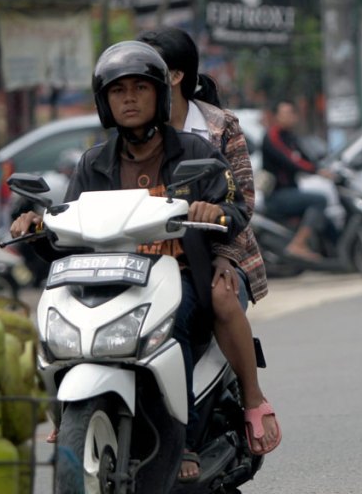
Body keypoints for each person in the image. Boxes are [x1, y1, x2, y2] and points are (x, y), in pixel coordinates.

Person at [10, 41, 249, 479]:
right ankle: (71, 412)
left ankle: (187, 440)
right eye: (119, 91)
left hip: (174, 275)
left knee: (172, 330)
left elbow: (233, 207)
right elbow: (70, 234)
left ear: (160, 93)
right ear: (106, 102)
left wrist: (212, 211)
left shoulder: (195, 153)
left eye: (140, 88)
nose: (130, 98)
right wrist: (38, 229)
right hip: (106, 280)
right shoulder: (93, 163)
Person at [137, 26, 281, 479]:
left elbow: (242, 205)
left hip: (219, 250)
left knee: (219, 296)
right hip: (147, 257)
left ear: (175, 76)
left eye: (146, 73)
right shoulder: (129, 129)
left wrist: (223, 255)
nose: (132, 88)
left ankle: (253, 397)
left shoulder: (220, 127)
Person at [260, 99, 331, 260]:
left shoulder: (290, 136)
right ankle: (298, 244)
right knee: (319, 200)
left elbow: (306, 157)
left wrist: (321, 167)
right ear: (276, 116)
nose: (291, 117)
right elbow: (291, 161)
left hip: (291, 190)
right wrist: (316, 170)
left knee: (327, 218)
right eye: (286, 113)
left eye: (292, 113)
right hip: (277, 195)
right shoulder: (273, 136)